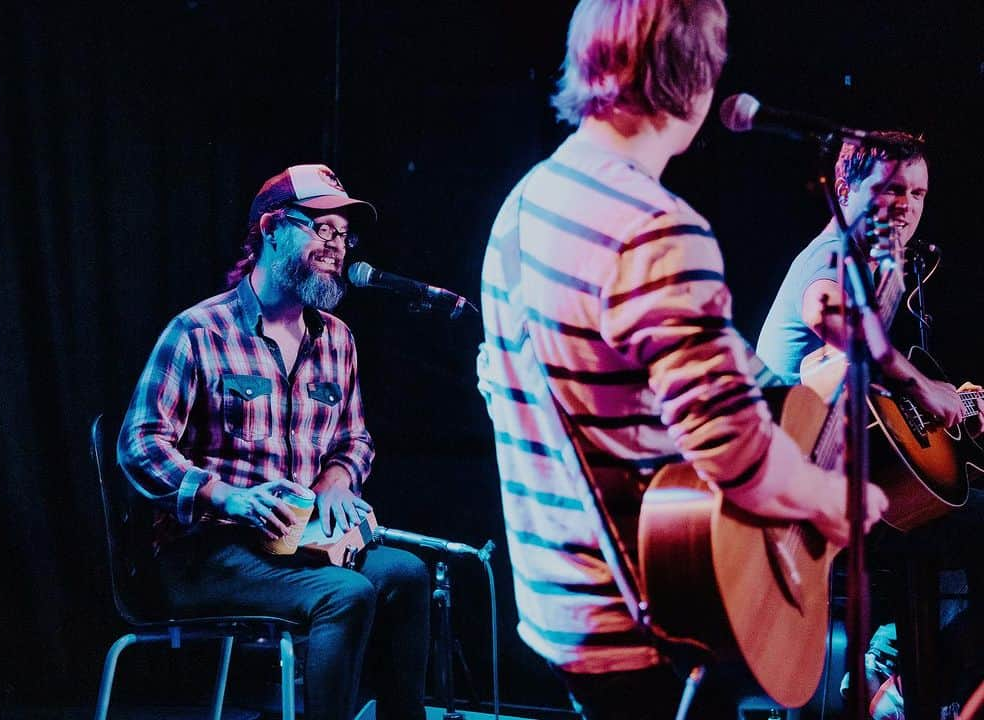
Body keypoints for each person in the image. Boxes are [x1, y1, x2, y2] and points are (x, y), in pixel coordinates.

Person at [475, 1, 888, 718]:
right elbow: (739, 459)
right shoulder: (655, 229)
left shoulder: (524, 204)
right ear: (695, 73)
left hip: (558, 601)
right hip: (647, 615)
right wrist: (835, 501)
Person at [118, 164, 430, 720]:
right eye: (322, 229)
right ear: (271, 229)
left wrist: (337, 480)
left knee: (405, 574)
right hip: (207, 551)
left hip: (297, 548)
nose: (336, 247)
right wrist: (225, 496)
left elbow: (355, 439)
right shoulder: (199, 331)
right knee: (345, 594)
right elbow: (139, 444)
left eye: (343, 234)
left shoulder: (337, 340)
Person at [755, 134, 984, 715]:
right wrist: (919, 386)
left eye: (918, 192)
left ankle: (897, 662)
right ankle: (900, 666)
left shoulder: (882, 273)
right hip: (801, 500)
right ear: (845, 191)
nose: (906, 205)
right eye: (891, 190)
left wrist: (950, 412)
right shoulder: (833, 252)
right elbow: (825, 314)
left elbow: (864, 398)